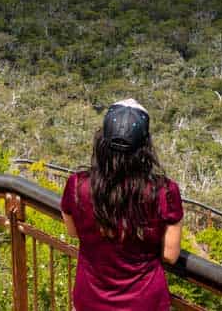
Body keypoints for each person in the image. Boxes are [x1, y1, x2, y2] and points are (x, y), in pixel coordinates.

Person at [61, 99, 183, 310]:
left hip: (90, 299)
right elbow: (170, 256)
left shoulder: (77, 185)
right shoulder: (164, 192)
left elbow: (73, 231)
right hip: (144, 302)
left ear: (102, 141)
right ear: (145, 147)